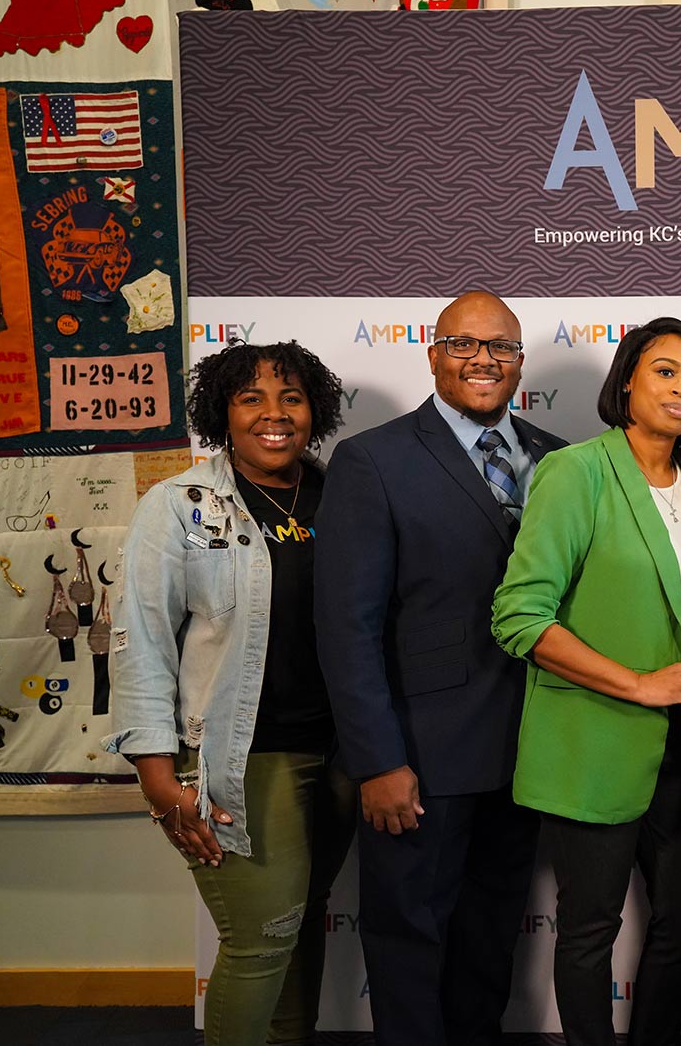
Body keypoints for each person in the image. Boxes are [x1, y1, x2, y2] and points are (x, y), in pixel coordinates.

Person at [314, 292, 567, 1045]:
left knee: (490, 937)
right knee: (408, 942)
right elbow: (346, 627)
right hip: (419, 755)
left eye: (501, 347)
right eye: (464, 343)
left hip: (529, 752)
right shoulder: (373, 459)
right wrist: (378, 760)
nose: (484, 359)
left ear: (520, 363)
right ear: (432, 354)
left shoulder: (558, 457)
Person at [106, 341, 354, 1045]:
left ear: (316, 410)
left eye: (291, 398)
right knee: (263, 936)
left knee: (301, 923)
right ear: (222, 410)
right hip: (239, 760)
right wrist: (157, 774)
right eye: (252, 398)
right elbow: (141, 642)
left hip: (339, 756)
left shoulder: (343, 495)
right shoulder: (178, 507)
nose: (274, 415)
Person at [491, 318, 681, 1046]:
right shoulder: (577, 471)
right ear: (627, 379)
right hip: (596, 737)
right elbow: (519, 617)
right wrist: (637, 682)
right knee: (591, 928)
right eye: (665, 372)